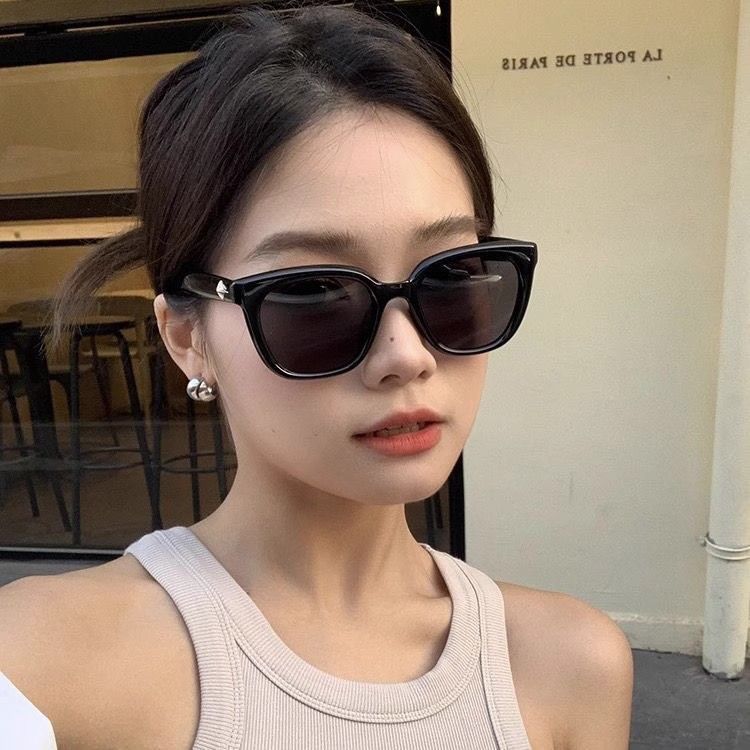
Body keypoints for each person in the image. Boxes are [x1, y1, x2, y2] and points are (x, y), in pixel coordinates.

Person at [0, 5, 633, 749]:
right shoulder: (41, 668)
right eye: (311, 294)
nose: (407, 354)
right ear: (186, 337)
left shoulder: (572, 667)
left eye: (452, 278)